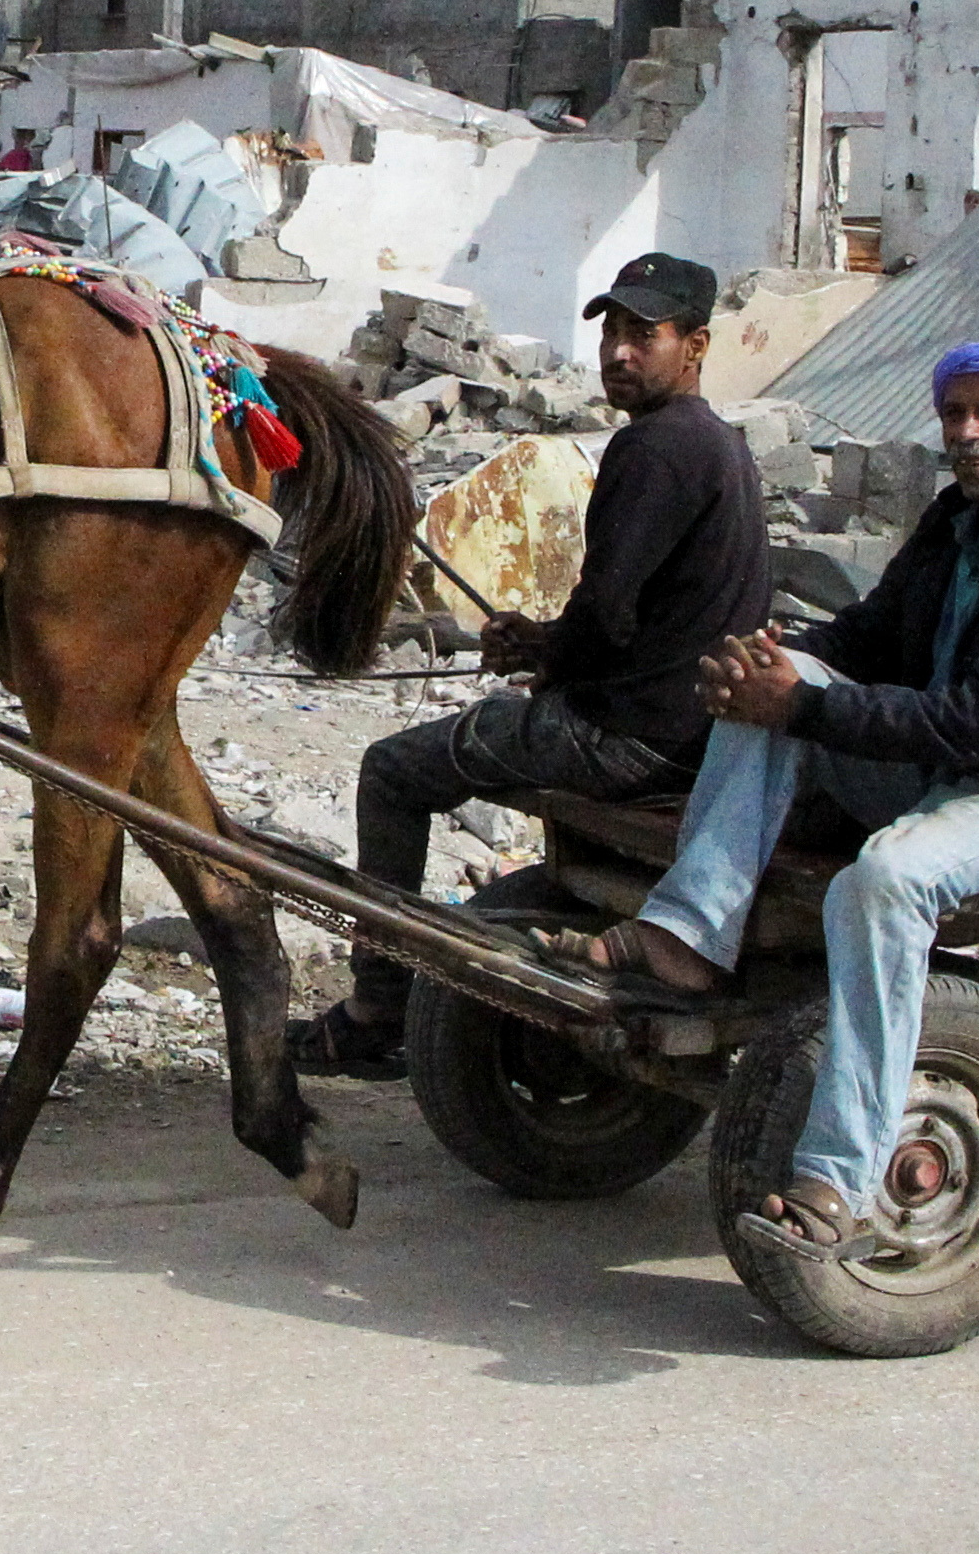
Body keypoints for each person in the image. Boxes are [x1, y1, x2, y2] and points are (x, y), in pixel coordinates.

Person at [557, 341, 979, 1262]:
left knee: (879, 882)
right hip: (955, 754)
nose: (965, 433)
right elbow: (874, 635)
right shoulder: (957, 518)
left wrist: (805, 705)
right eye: (953, 413)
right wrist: (776, 661)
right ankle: (689, 934)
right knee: (787, 678)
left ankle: (839, 1177)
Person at [287, 252, 770, 1080]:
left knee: (391, 769)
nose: (617, 352)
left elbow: (607, 608)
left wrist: (543, 656)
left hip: (628, 737)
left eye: (641, 335)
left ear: (695, 344)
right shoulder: (715, 443)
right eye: (611, 332)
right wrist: (544, 644)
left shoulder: (655, 449)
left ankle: (376, 1006)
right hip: (685, 725)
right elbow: (629, 616)